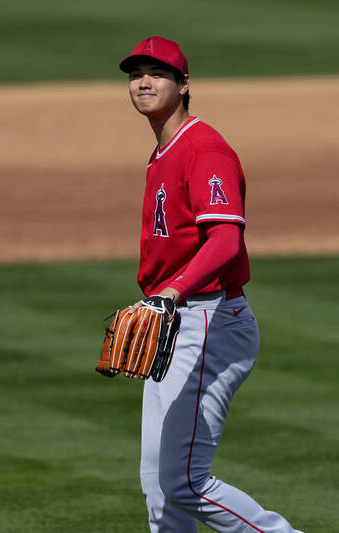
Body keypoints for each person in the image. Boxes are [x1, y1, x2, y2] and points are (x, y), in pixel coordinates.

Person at [120, 36, 303, 533]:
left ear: (184, 85)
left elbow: (224, 243)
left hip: (208, 319)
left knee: (184, 482)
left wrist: (169, 293)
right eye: (136, 73)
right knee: (159, 486)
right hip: (175, 319)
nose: (144, 81)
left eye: (156, 73)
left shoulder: (204, 150)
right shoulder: (163, 152)